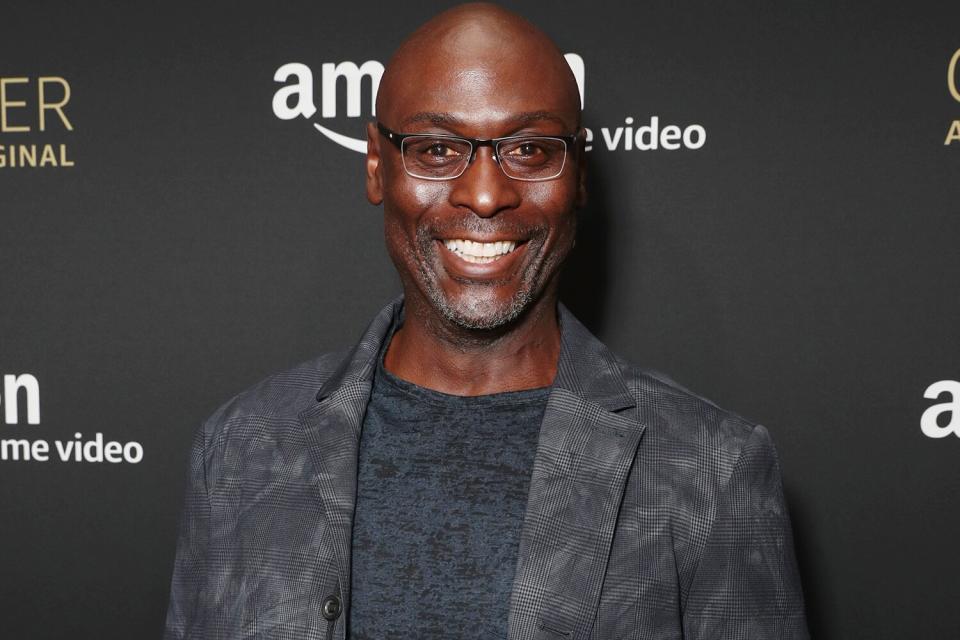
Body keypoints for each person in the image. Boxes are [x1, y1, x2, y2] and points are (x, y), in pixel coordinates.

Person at [163, 3, 808, 639]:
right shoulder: (241, 448)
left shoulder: (712, 470)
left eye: (528, 150)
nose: (484, 193)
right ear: (374, 165)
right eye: (438, 149)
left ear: (578, 173)